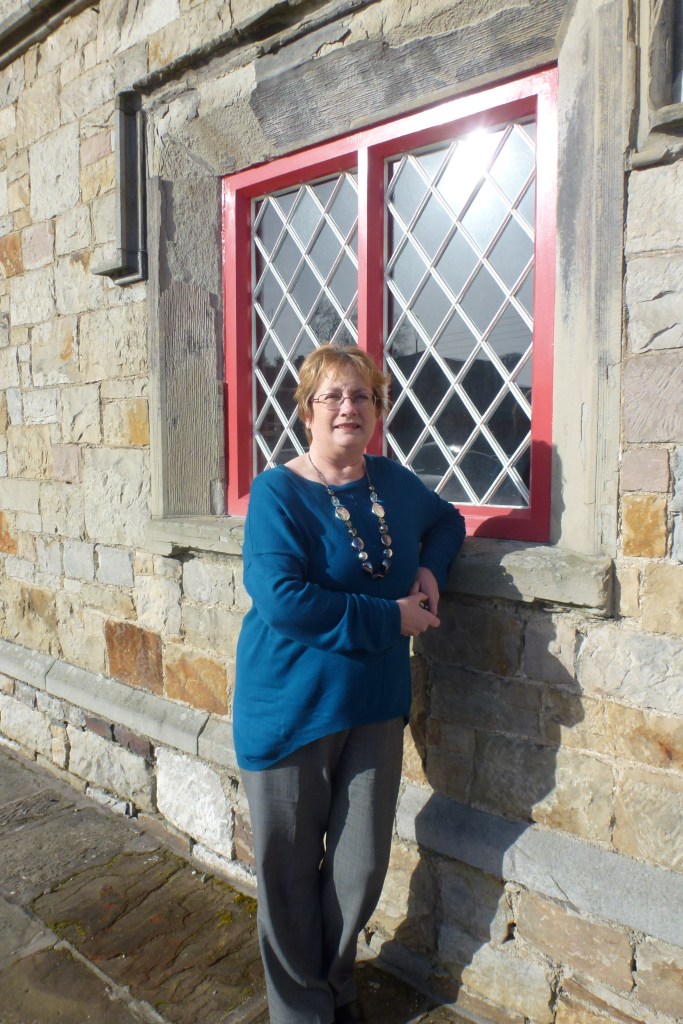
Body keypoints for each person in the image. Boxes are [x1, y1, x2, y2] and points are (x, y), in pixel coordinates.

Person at [234, 343, 465, 1024]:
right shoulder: (279, 491)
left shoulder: (391, 483)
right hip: (290, 708)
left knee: (358, 867)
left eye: (361, 395)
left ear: (376, 410)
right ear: (306, 409)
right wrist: (391, 615)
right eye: (332, 395)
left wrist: (431, 573)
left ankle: (333, 982)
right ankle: (300, 1010)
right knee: (287, 872)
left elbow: (447, 522)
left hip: (373, 706)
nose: (347, 407)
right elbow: (282, 598)